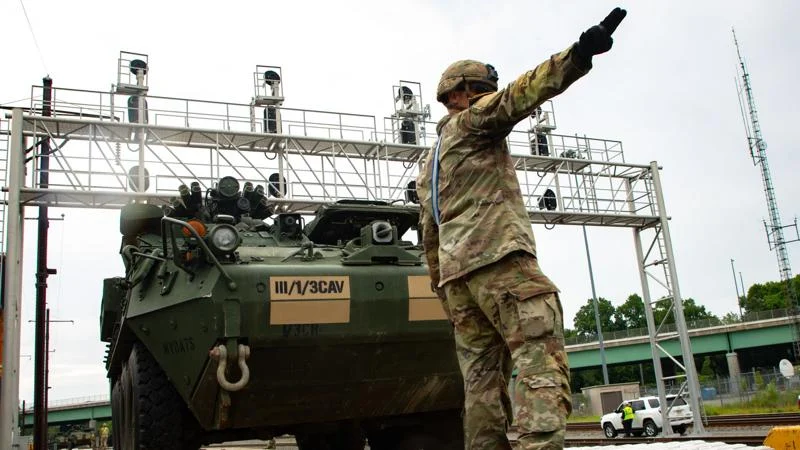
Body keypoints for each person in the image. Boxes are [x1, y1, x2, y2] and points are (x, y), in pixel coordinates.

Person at [415, 8, 627, 450]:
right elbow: (521, 94)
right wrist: (579, 54)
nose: (486, 97)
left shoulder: (428, 166)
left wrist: (445, 290)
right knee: (539, 364)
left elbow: (429, 238)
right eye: (480, 91)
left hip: (460, 284)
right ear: (460, 94)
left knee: (481, 387)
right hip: (500, 264)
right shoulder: (472, 123)